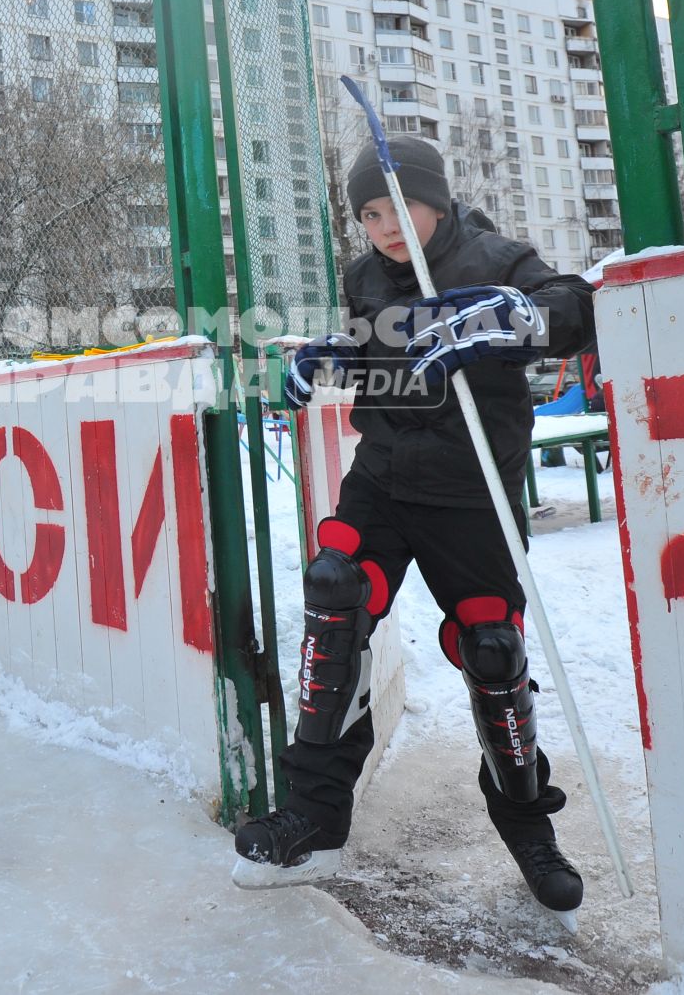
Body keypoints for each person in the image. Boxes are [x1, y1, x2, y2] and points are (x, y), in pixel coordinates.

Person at [234, 136, 597, 917]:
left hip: (472, 491)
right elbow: (380, 358)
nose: (385, 227)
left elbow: (575, 310)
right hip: (384, 479)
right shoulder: (365, 276)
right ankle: (316, 812)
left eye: (397, 207)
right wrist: (333, 354)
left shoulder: (497, 257)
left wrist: (509, 315)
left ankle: (527, 822)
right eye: (368, 213)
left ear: (433, 199)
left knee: (492, 646)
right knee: (334, 601)